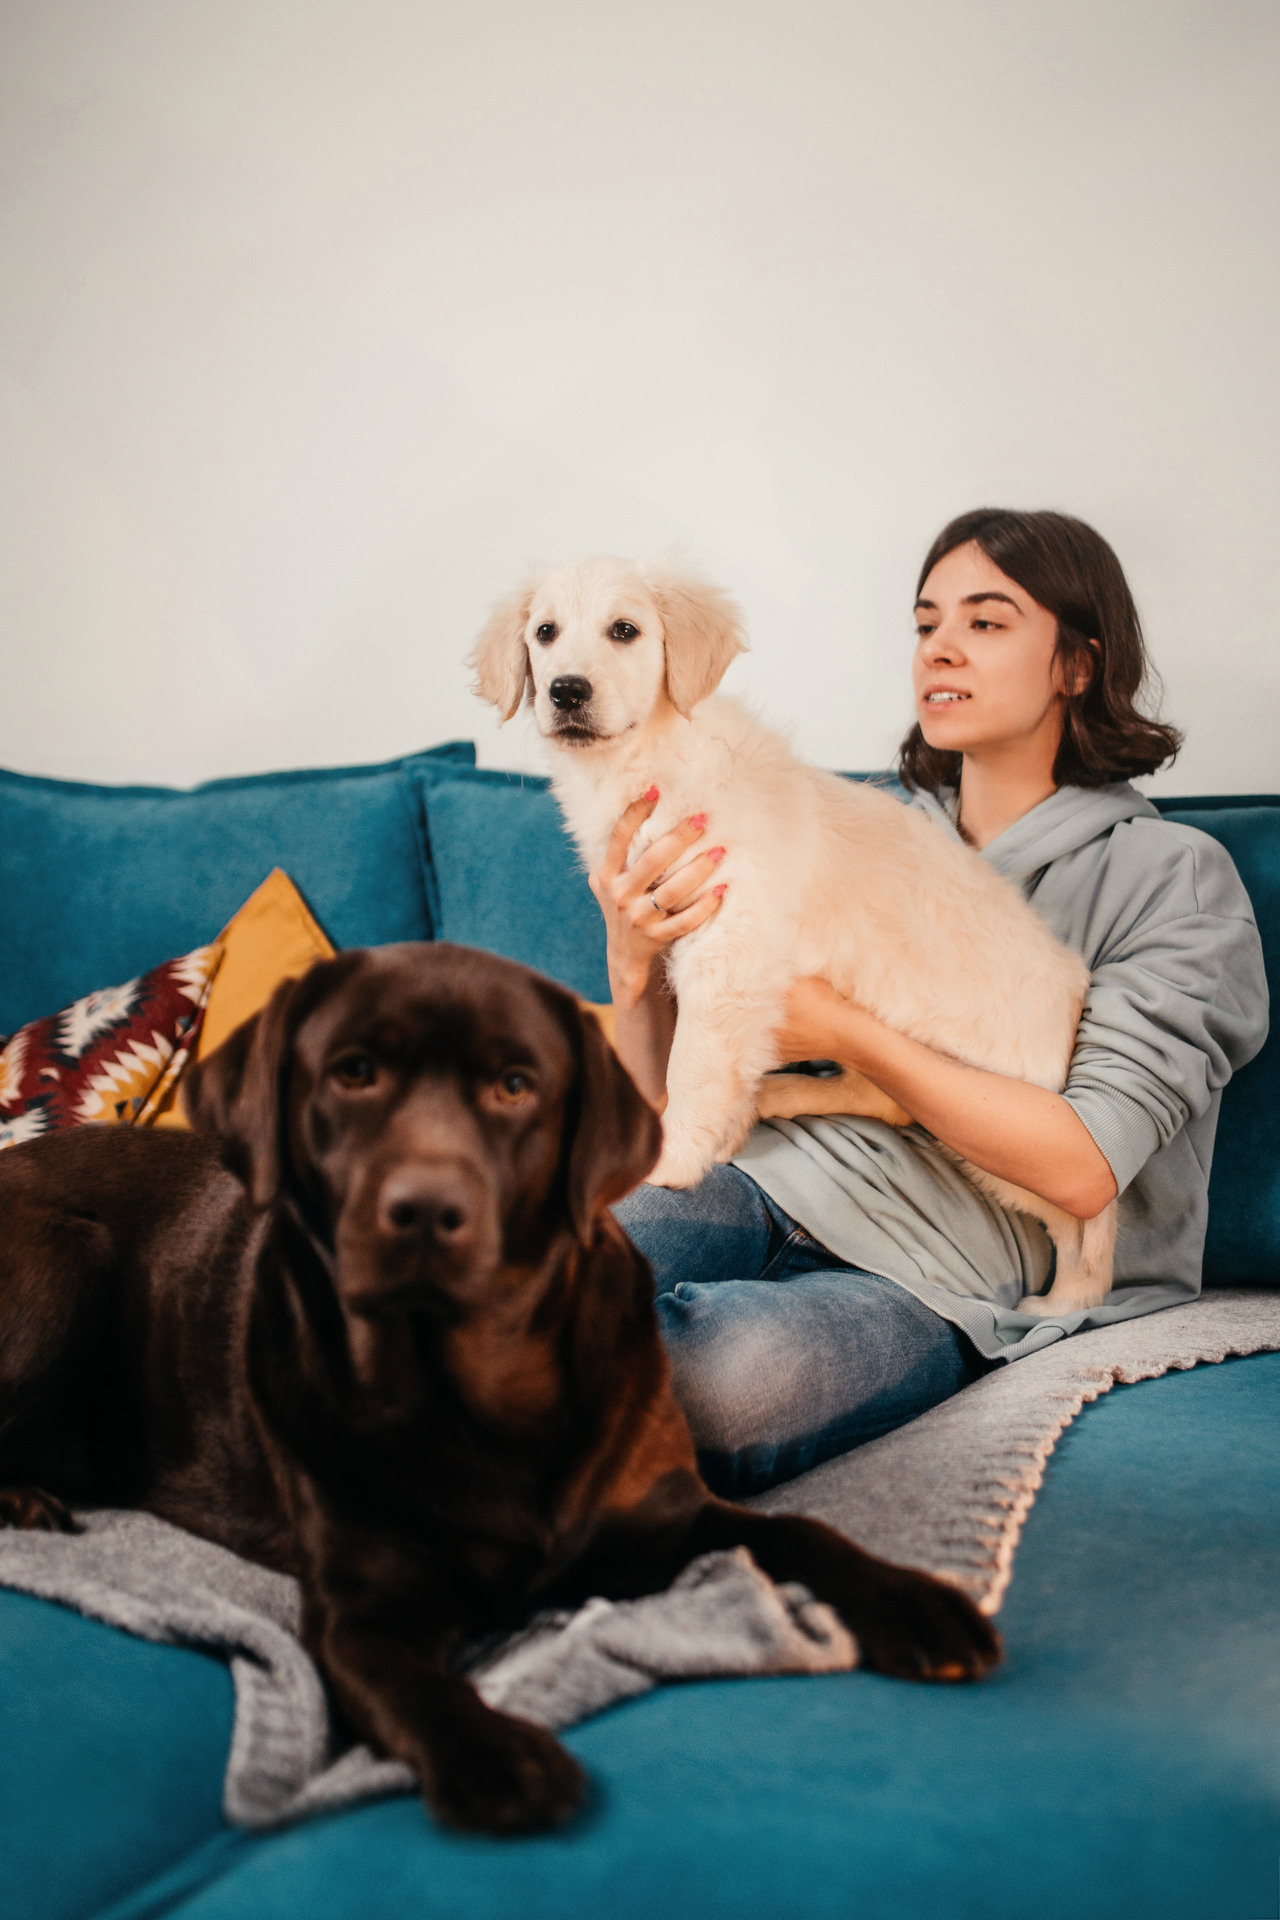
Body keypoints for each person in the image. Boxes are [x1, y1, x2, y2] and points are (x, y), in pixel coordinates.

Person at [593, 508, 1269, 1499]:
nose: (938, 648)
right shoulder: (846, 823)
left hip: (940, 1267)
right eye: (924, 622)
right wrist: (628, 960)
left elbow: (1081, 1169)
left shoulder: (1172, 878)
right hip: (757, 1171)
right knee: (525, 1261)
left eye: (985, 622)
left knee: (710, 1388)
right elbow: (663, 1106)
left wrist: (842, 1034)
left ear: (1074, 664)